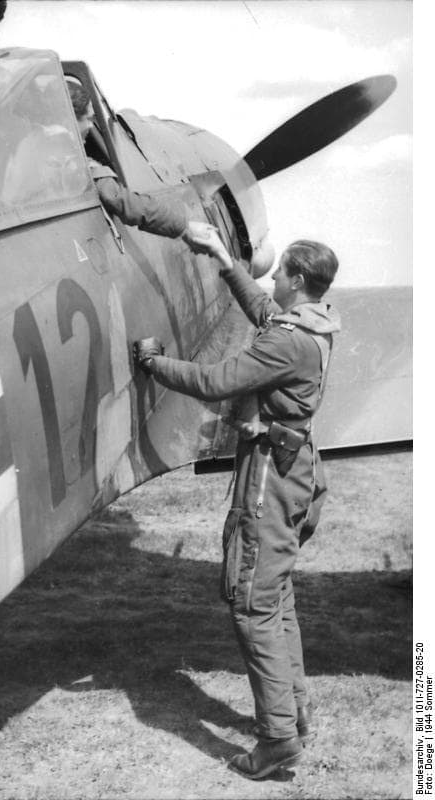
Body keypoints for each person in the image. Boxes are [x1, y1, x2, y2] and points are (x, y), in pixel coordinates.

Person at [133, 232, 340, 779]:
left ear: (297, 278)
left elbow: (214, 381)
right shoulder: (314, 324)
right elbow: (266, 310)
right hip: (298, 472)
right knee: (277, 598)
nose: (272, 279)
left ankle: (277, 740)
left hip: (270, 479)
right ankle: (294, 715)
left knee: (252, 605)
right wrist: (226, 263)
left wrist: (154, 363)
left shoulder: (286, 342)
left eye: (280, 274)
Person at [66, 78, 212, 246]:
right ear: (70, 118)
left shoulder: (35, 145)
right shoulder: (68, 162)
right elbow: (119, 199)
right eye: (88, 119)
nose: (91, 127)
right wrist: (184, 226)